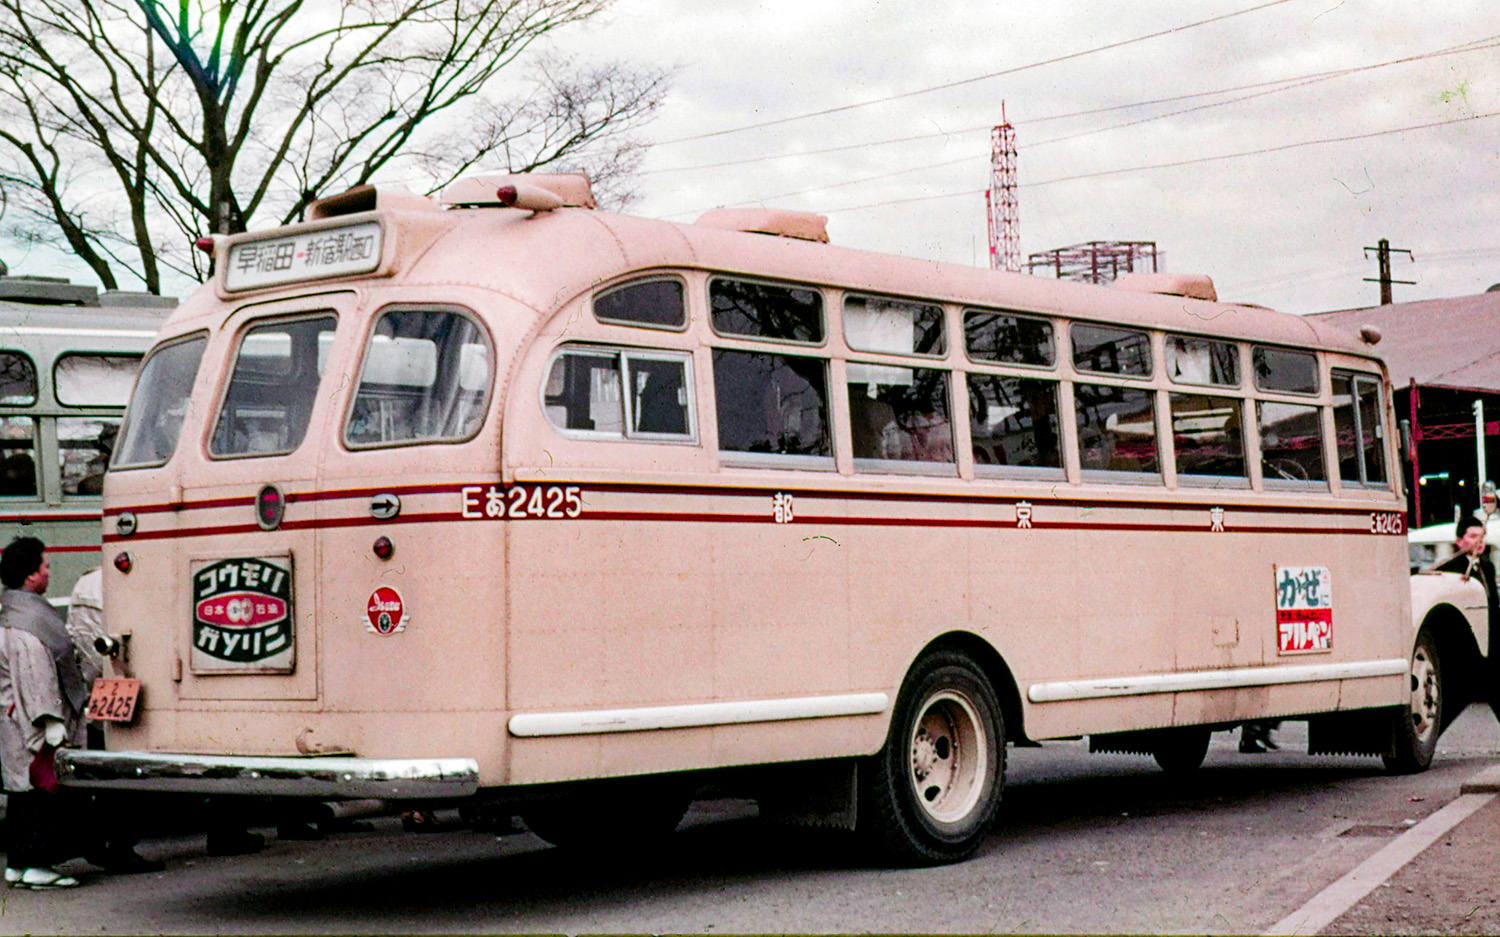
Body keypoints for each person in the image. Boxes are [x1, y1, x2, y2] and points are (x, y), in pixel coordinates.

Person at [0, 537, 162, 887]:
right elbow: (36, 676)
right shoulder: (29, 624)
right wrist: (51, 721)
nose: (48, 571)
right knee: (43, 795)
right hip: (34, 726)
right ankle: (37, 865)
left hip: (15, 721)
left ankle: (19, 862)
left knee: (22, 795)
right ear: (30, 576)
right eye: (44, 566)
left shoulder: (14, 614)